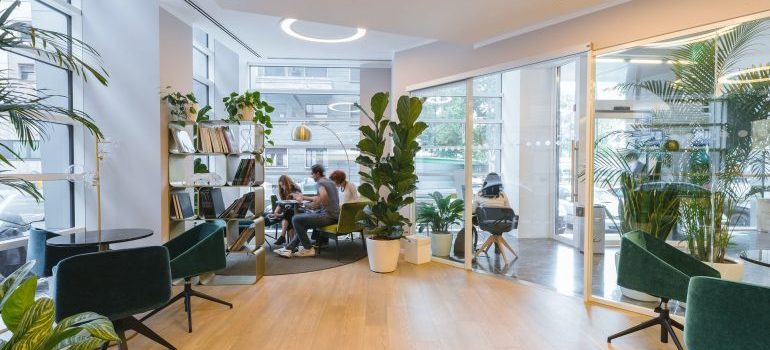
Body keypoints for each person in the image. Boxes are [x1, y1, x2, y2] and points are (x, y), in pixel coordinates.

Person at [273, 164, 340, 258]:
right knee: (302, 222)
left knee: (296, 219)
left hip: (327, 216)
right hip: (335, 216)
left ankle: (308, 248)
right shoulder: (330, 182)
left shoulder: (320, 183)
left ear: (317, 173)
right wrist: (303, 198)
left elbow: (323, 197)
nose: (311, 176)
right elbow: (320, 197)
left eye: (312, 174)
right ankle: (289, 248)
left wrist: (312, 206)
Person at [268, 175, 302, 245]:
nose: (282, 187)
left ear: (288, 183)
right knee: (289, 219)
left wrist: (280, 215)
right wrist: (275, 213)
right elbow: (282, 203)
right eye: (281, 186)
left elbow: (296, 205)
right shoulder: (284, 191)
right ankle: (292, 244)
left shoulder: (296, 190)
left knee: (288, 213)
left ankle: (283, 236)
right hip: (288, 213)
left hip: (297, 211)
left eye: (283, 185)